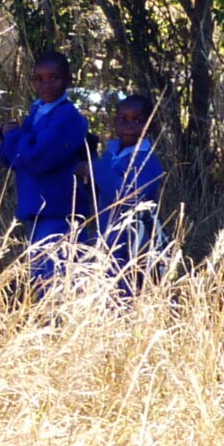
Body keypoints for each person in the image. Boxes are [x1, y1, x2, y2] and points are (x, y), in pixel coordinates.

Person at [0, 51, 91, 293]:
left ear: (68, 80)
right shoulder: (37, 112)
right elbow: (11, 159)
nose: (46, 84)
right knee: (40, 281)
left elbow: (38, 157)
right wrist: (15, 142)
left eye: (54, 78)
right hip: (38, 211)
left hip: (59, 212)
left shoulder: (68, 117)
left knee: (54, 285)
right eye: (39, 79)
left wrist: (12, 135)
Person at [92, 94, 165, 296]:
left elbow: (127, 194)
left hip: (132, 242)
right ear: (115, 121)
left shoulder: (147, 161)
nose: (129, 125)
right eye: (122, 119)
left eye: (137, 120)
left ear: (149, 125)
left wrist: (93, 172)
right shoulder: (112, 151)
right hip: (107, 236)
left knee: (125, 294)